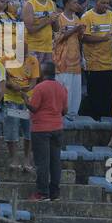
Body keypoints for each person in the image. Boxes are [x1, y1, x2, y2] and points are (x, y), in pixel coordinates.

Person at [27, 61, 68, 202]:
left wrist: (26, 100)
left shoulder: (39, 88)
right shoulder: (62, 88)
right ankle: (54, 192)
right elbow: (65, 111)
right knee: (55, 161)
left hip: (41, 129)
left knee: (42, 162)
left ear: (43, 73)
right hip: (57, 128)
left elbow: (33, 108)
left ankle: (42, 193)